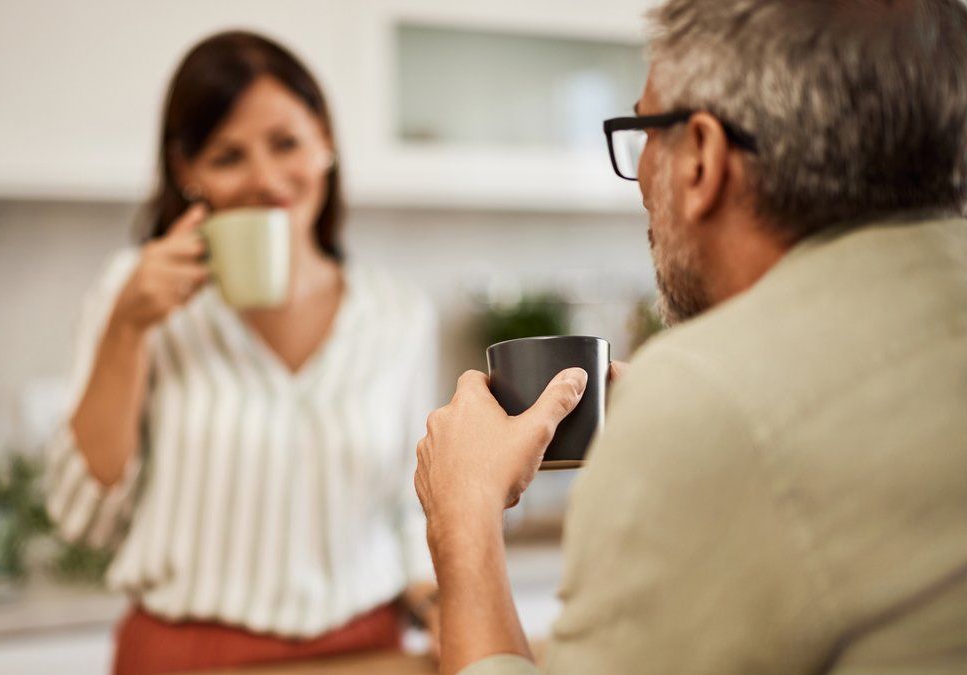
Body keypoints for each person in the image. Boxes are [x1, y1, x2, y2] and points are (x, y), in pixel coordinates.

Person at [414, 0, 967, 673]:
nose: (642, 175)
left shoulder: (705, 395)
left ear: (702, 155)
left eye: (645, 127)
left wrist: (462, 518)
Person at [45, 31, 440, 674]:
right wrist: (128, 328)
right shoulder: (131, 295)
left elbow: (407, 505)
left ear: (326, 143)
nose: (265, 180)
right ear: (187, 172)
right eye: (228, 156)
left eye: (286, 143)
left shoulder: (399, 313)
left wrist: (436, 601)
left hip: (366, 654)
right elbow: (79, 517)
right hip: (187, 658)